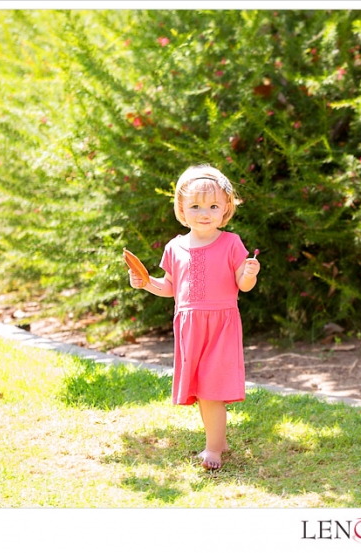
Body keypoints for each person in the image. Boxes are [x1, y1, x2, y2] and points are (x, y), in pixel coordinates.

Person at [128, 164, 261, 470]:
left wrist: (250, 272)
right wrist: (147, 283)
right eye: (196, 206)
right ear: (182, 209)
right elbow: (170, 287)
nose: (205, 213)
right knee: (203, 389)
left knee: (212, 390)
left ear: (226, 209)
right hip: (190, 327)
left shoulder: (231, 243)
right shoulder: (175, 247)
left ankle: (214, 450)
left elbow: (243, 285)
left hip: (221, 325)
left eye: (213, 206)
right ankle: (219, 438)